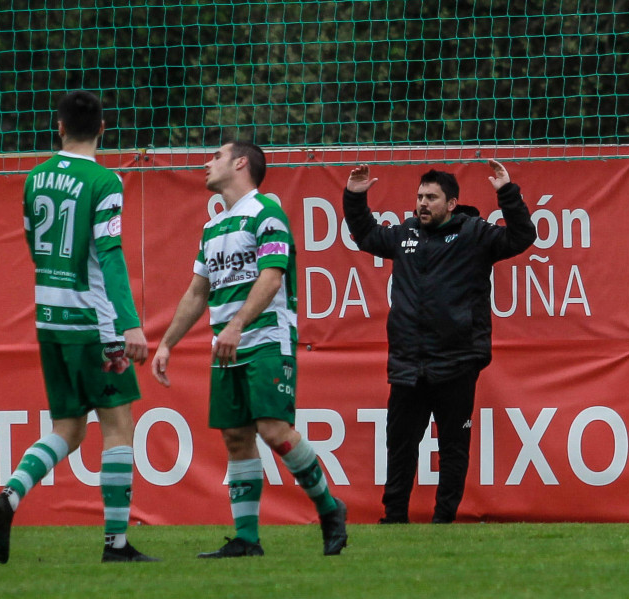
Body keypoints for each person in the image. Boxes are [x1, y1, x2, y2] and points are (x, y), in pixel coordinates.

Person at [0, 90, 157, 564]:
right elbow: (111, 254)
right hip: (91, 322)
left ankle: (9, 498)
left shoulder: (35, 177)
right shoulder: (105, 182)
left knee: (68, 427)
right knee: (118, 426)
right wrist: (129, 325)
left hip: (48, 317)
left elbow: (31, 241)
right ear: (103, 128)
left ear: (58, 125)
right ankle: (116, 545)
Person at [151, 140, 348, 557]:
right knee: (237, 438)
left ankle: (330, 510)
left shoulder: (267, 213)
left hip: (264, 339)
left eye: (217, 156)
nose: (207, 162)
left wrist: (238, 324)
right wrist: (166, 344)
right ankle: (246, 539)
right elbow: (195, 293)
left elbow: (272, 277)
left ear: (241, 163)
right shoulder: (212, 227)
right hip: (227, 345)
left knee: (273, 429)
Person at [342, 160, 536, 524]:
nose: (422, 204)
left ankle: (443, 521)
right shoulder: (405, 234)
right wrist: (354, 197)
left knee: (452, 448)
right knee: (399, 446)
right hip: (408, 364)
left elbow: (522, 237)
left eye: (431, 197)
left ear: (451, 204)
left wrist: (507, 193)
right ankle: (394, 518)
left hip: (457, 361)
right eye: (419, 197)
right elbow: (366, 234)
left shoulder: (475, 233)